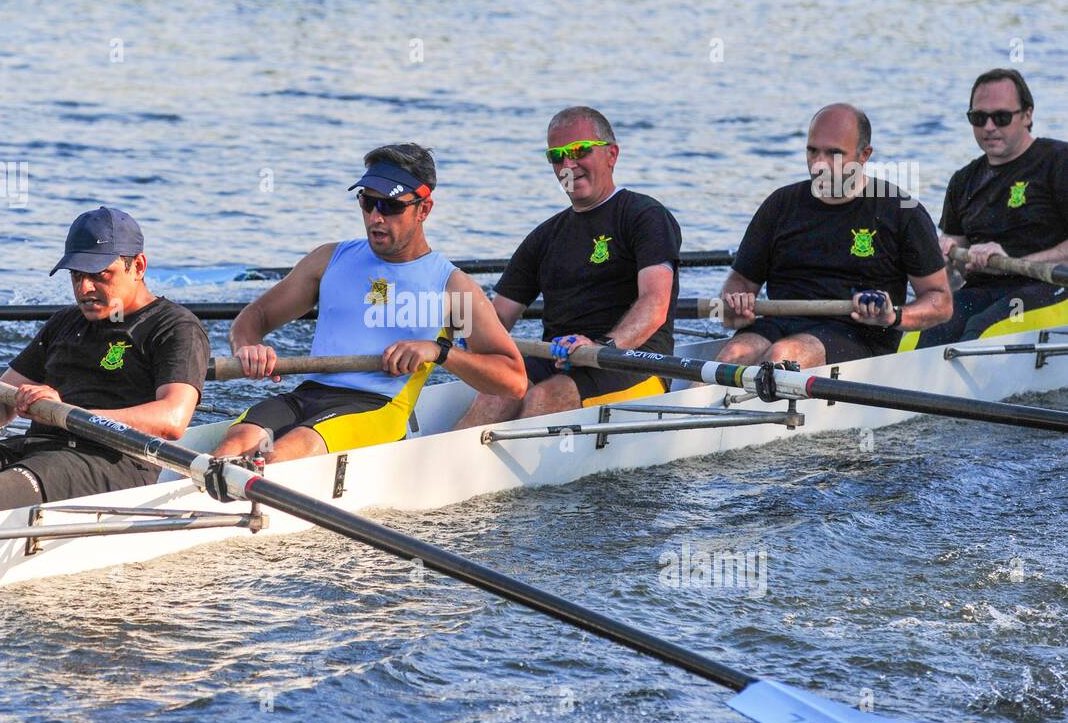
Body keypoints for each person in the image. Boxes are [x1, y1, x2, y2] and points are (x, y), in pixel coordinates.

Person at [0, 207, 208, 530]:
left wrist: (66, 411)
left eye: (99, 275)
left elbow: (171, 421)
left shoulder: (174, 328)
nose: (85, 289)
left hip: (114, 461)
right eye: (77, 276)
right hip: (39, 450)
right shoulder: (64, 323)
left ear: (138, 266)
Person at [211, 143, 526, 462]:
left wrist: (440, 352)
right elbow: (256, 315)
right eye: (368, 202)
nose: (376, 217)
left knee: (282, 454)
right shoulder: (328, 260)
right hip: (307, 395)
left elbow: (513, 380)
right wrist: (248, 346)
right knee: (235, 444)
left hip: (377, 408)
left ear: (424, 209)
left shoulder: (452, 286)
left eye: (390, 206)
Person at [455, 105, 681, 429]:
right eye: (556, 156)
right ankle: (446, 475)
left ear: (611, 154)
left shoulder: (645, 216)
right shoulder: (545, 236)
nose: (568, 164)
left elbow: (654, 304)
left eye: (579, 151)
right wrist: (450, 337)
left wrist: (603, 347)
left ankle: (508, 477)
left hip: (634, 362)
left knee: (545, 397)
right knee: (497, 393)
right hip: (560, 358)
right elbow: (498, 317)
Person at [716, 104, 951, 367]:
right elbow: (738, 288)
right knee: (733, 354)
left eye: (834, 154)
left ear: (864, 155)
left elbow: (940, 302)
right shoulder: (780, 205)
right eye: (812, 151)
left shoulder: (901, 212)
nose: (819, 165)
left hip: (860, 333)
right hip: (782, 321)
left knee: (782, 355)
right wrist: (736, 305)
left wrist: (894, 316)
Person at [917, 69, 1068, 346]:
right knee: (928, 331)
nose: (989, 127)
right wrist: (941, 257)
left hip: (1053, 288)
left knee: (981, 332)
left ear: (1027, 115)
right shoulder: (963, 181)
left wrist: (1014, 263)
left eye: (1001, 117)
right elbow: (952, 273)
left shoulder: (1059, 162)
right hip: (985, 289)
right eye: (978, 118)